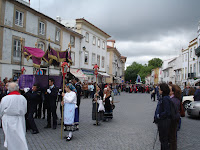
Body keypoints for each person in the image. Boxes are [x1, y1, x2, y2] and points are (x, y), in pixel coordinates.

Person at [0, 82, 28, 150]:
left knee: (9, 136)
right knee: (20, 135)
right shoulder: (23, 98)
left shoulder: (5, 99)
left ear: (9, 89)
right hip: (19, 119)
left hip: (8, 119)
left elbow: (1, 110)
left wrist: (2, 116)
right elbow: (25, 110)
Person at [154, 83, 171, 150]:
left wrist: (159, 116)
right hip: (162, 121)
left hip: (164, 122)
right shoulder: (163, 98)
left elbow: (167, 112)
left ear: (163, 90)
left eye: (159, 89)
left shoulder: (165, 99)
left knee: (164, 140)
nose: (158, 90)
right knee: (162, 139)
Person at [169, 84, 181, 150]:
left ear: (172, 92)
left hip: (173, 121)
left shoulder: (173, 100)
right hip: (175, 119)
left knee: (172, 138)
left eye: (170, 90)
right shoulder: (174, 99)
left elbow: (172, 112)